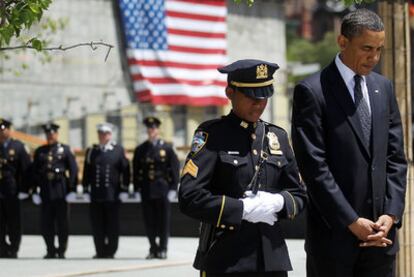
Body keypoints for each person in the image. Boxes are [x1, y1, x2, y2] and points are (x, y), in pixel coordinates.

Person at [291, 9, 407, 277]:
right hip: (334, 244)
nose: (374, 57)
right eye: (367, 48)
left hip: (381, 240)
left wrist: (391, 215)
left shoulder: (384, 88)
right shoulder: (312, 91)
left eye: (379, 49)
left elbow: (395, 158)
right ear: (342, 42)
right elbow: (314, 168)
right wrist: (351, 221)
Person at [179, 59, 307, 277]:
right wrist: (241, 209)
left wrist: (278, 202)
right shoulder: (213, 136)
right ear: (230, 92)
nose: (259, 104)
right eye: (251, 97)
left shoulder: (277, 137)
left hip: (272, 261)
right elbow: (189, 196)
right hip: (226, 259)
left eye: (265, 96)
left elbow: (299, 195)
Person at [132, 116, 180, 260]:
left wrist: (173, 188)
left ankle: (163, 249)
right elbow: (135, 170)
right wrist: (136, 189)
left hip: (162, 189)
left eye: (153, 128)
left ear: (158, 130)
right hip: (146, 190)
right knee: (149, 221)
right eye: (149, 128)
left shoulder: (166, 147)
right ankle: (153, 248)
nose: (151, 130)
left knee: (163, 221)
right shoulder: (141, 149)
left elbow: (174, 168)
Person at [82, 122, 130, 258]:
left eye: (106, 133)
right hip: (96, 194)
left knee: (112, 225)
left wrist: (125, 189)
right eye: (101, 133)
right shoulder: (92, 151)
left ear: (110, 135)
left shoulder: (118, 150)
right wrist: (85, 189)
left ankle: (111, 251)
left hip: (112, 195)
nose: (103, 136)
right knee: (97, 225)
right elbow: (87, 171)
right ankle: (100, 251)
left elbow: (125, 171)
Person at [31, 123, 78, 259]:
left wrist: (72, 189)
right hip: (46, 190)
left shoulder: (65, 149)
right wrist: (34, 190)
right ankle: (50, 249)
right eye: (48, 134)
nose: (50, 136)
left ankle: (62, 250)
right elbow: (34, 172)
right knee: (46, 223)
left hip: (60, 190)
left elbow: (73, 170)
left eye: (52, 133)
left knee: (63, 222)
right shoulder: (40, 151)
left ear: (57, 134)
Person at [0, 118, 31, 258]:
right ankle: (1, 248)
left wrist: (25, 190)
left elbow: (26, 170)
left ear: (8, 130)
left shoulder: (18, 146)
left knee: (14, 222)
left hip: (13, 192)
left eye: (2, 129)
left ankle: (13, 248)